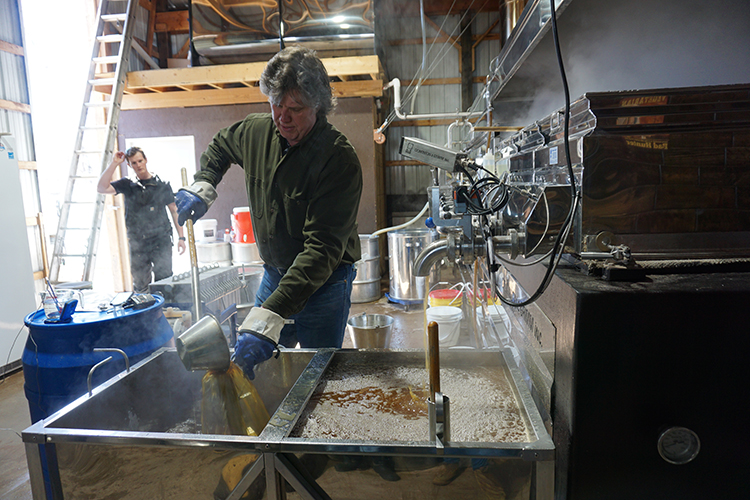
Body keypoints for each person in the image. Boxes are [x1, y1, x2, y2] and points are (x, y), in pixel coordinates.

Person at [176, 46, 363, 379]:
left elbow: (321, 252)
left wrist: (270, 316)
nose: (282, 117)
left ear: (318, 107)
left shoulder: (338, 160)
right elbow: (221, 145)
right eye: (276, 105)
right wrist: (203, 185)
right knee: (252, 366)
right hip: (274, 274)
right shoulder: (257, 132)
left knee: (316, 373)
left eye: (295, 108)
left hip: (325, 284)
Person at [97, 146, 186, 292]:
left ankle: (163, 312)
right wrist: (114, 163)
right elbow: (101, 188)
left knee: (164, 282)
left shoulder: (162, 184)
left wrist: (181, 237)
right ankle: (145, 313)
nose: (138, 165)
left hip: (161, 240)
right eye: (133, 163)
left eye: (140, 161)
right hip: (138, 242)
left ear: (146, 160)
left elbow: (174, 211)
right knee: (140, 284)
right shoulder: (127, 184)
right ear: (129, 165)